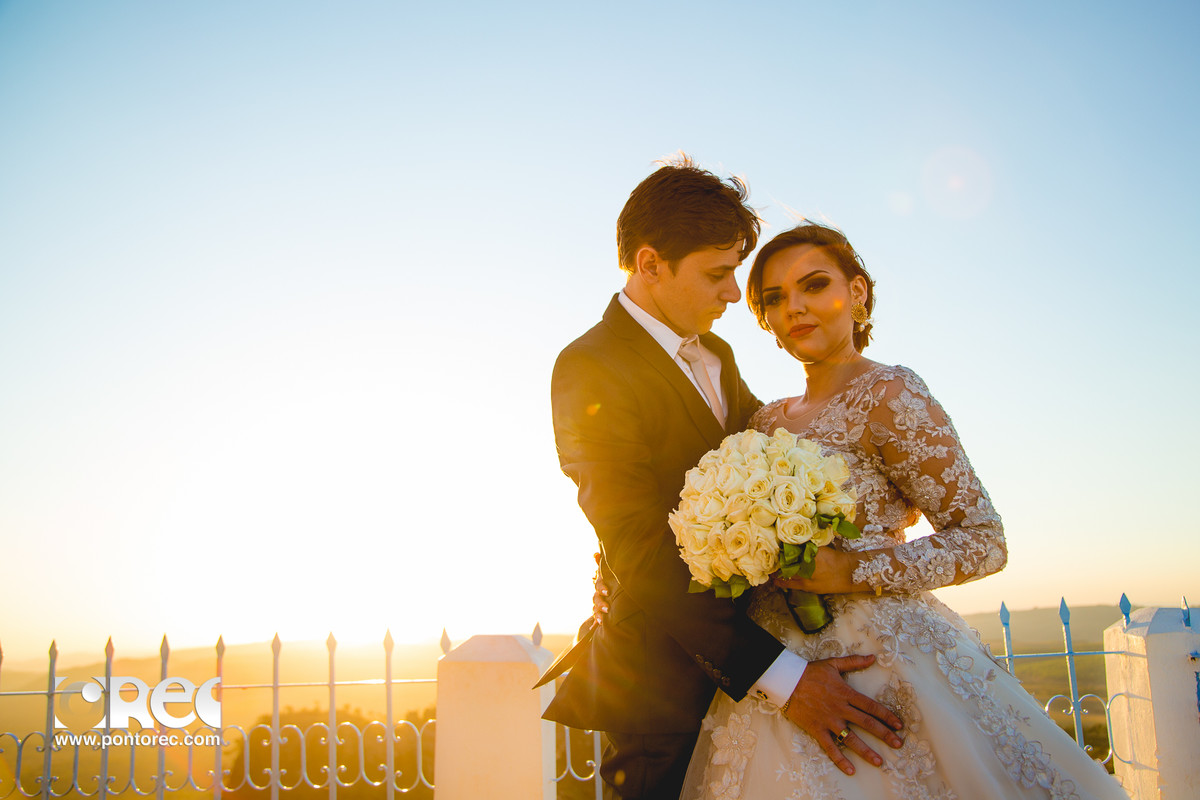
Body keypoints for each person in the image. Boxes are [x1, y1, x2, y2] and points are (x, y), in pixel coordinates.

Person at [675, 222, 1129, 799]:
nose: (795, 308)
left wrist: (852, 571)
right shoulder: (765, 422)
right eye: (774, 299)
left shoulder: (891, 394)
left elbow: (984, 539)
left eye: (814, 286)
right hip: (781, 672)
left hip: (879, 663)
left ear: (858, 293)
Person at [540, 159, 903, 800]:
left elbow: (774, 461)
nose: (734, 294)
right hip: (665, 683)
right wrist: (787, 678)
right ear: (650, 264)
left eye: (735, 271)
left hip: (762, 651)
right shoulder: (588, 367)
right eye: (717, 273)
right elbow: (640, 545)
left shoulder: (719, 354)